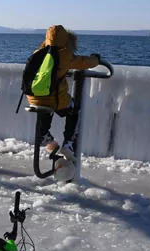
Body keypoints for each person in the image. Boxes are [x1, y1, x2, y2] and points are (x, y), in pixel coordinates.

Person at [26, 25, 100, 161]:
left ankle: (43, 134)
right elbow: (84, 62)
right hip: (54, 99)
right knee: (73, 110)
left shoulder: (38, 52)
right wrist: (96, 59)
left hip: (33, 97)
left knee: (47, 107)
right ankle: (68, 143)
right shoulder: (64, 55)